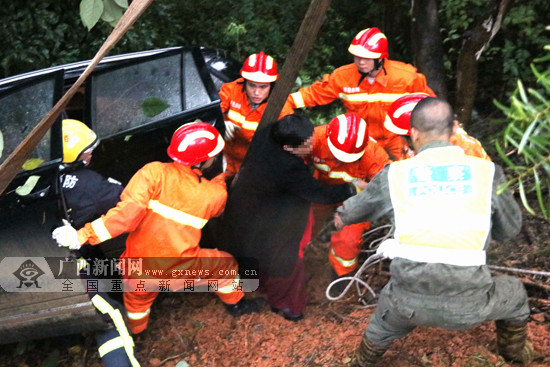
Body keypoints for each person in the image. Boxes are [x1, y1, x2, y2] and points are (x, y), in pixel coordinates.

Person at [334, 97, 532, 366]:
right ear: (453, 129)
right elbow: (508, 230)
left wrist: (340, 216)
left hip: (406, 306)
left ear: (413, 133)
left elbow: (349, 213)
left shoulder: (395, 174)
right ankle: (516, 355)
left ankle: (359, 361)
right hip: (471, 305)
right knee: (515, 293)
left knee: (384, 320)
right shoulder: (488, 173)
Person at [53, 122, 263, 335]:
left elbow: (125, 217)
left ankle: (136, 332)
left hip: (137, 270)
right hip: (180, 270)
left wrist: (81, 235)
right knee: (225, 265)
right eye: (214, 156)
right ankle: (237, 306)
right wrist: (223, 176)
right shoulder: (214, 195)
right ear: (204, 160)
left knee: (136, 304)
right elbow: (218, 208)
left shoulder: (151, 172)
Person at [220, 114, 356, 321]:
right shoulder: (288, 167)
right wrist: (352, 187)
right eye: (305, 146)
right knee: (286, 261)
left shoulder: (270, 134)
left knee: (261, 255)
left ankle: (263, 286)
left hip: (250, 208)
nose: (311, 147)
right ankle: (287, 306)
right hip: (272, 219)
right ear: (288, 148)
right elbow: (318, 193)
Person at [58, 119, 138, 367]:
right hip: (69, 265)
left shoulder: (41, 177)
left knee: (100, 265)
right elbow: (124, 201)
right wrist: (114, 186)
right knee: (109, 318)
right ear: (76, 156)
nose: (92, 152)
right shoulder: (88, 184)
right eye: (87, 150)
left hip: (40, 258)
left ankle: (70, 340)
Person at [287, 27, 435, 161]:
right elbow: (314, 94)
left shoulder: (406, 77)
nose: (360, 62)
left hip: (397, 138)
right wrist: (285, 102)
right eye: (357, 56)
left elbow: (432, 106)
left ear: (380, 58)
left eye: (366, 58)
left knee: (406, 172)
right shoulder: (343, 76)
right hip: (362, 139)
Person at [309, 113, 390, 278]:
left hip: (356, 201)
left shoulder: (374, 155)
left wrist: (349, 211)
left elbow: (386, 189)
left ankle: (340, 276)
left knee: (348, 241)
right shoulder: (315, 138)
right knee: (302, 226)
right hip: (322, 192)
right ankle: (292, 266)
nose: (341, 161)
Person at [219, 51, 294, 179]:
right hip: (225, 157)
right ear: (244, 82)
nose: (256, 92)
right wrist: (221, 125)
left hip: (254, 165)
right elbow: (212, 114)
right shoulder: (231, 90)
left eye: (263, 87)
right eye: (251, 85)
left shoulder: (282, 109)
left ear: (272, 85)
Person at [384, 93, 491, 160]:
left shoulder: (465, 148)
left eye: (404, 137)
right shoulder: (409, 143)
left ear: (415, 134)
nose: (402, 139)